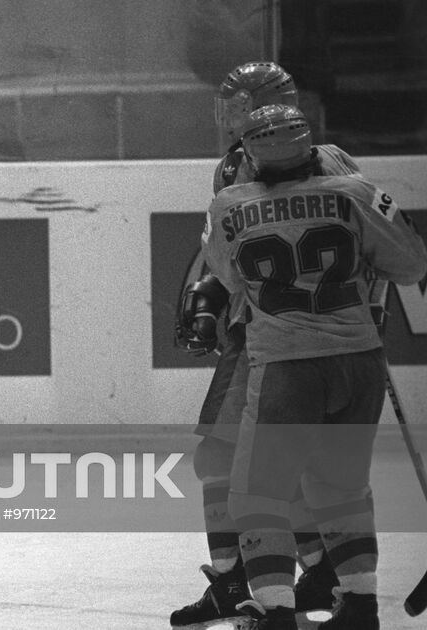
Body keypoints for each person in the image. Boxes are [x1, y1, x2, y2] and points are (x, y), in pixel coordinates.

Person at [200, 103, 427, 630]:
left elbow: (233, 281)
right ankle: (361, 608)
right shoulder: (358, 194)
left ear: (250, 152)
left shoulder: (228, 205)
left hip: (287, 368)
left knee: (257, 493)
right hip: (359, 364)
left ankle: (276, 614)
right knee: (342, 489)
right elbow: (412, 263)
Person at [170, 61, 363, 630]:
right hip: (336, 342)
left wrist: (205, 297)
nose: (224, 116)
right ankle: (329, 573)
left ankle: (237, 583)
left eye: (232, 105)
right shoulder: (336, 160)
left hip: (261, 335)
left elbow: (232, 249)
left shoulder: (240, 163)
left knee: (221, 462)